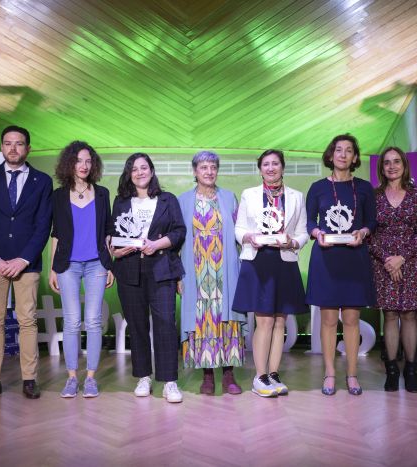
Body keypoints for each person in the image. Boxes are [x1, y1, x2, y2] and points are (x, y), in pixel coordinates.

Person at [0, 125, 53, 400]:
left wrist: (23, 259)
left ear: (28, 148)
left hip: (26, 263)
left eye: (19, 144)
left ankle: (29, 379)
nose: (13, 148)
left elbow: (43, 225)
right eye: (8, 143)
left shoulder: (42, 181)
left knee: (27, 321)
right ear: (2, 147)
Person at [110, 153, 186, 403]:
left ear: (152, 171)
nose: (139, 172)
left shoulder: (167, 199)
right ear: (128, 174)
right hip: (129, 269)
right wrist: (115, 251)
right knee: (137, 325)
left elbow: (179, 231)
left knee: (165, 324)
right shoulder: (121, 201)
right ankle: (144, 377)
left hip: (162, 269)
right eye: (134, 169)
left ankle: (169, 382)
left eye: (144, 168)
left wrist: (156, 245)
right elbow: (112, 234)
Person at [233, 149, 309, 397]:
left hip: (284, 260)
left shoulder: (296, 196)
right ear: (260, 169)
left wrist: (293, 242)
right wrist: (249, 237)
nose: (271, 168)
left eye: (275, 163)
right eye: (266, 164)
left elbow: (303, 232)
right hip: (258, 260)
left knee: (280, 321)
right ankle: (260, 376)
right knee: (264, 320)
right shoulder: (249, 194)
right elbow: (239, 228)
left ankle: (274, 374)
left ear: (282, 167)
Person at [306, 134, 376, 396]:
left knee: (351, 318)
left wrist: (364, 232)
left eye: (349, 150)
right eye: (338, 150)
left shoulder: (365, 188)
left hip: (355, 258)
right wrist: (317, 233)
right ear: (331, 155)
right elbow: (309, 222)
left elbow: (371, 221)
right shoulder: (317, 187)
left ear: (355, 157)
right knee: (327, 319)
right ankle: (329, 374)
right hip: (326, 258)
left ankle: (352, 375)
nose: (343, 155)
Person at [49, 141, 115, 398]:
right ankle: (71, 378)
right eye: (78, 160)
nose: (84, 165)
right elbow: (56, 234)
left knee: (94, 320)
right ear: (69, 163)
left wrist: (110, 265)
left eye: (88, 161)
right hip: (68, 265)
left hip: (97, 263)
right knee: (72, 321)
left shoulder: (103, 194)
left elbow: (108, 233)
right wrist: (52, 269)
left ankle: (90, 378)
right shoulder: (58, 196)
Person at [178, 151, 245, 395]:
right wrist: (178, 276)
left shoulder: (229, 197)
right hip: (195, 272)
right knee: (201, 322)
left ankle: (229, 374)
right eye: (203, 167)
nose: (209, 171)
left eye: (213, 167)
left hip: (224, 271)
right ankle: (207, 375)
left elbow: (239, 234)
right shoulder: (183, 200)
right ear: (195, 171)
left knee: (227, 321)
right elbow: (177, 240)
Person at [369, 147, 417, 393]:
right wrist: (387, 259)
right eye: (387, 163)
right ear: (381, 168)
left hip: (411, 262)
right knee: (390, 315)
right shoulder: (373, 196)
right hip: (382, 263)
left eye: (396, 161)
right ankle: (392, 370)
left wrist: (401, 258)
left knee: (409, 315)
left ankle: (411, 370)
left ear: (405, 165)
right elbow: (369, 233)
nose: (392, 166)